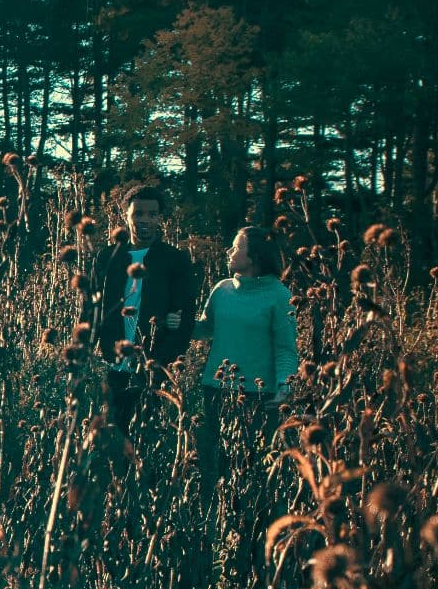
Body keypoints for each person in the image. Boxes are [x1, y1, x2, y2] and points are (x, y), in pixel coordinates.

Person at [87, 184, 199, 432]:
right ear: (125, 215)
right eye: (138, 213)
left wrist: (164, 360)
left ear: (160, 218)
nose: (145, 220)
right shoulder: (107, 257)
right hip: (111, 363)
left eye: (152, 214)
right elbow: (91, 309)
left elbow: (185, 316)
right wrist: (88, 353)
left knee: (146, 433)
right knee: (111, 433)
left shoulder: (174, 259)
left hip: (153, 364)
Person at [197, 225, 300, 413]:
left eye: (236, 248)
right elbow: (206, 328)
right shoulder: (222, 289)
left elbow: (286, 348)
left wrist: (284, 388)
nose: (229, 252)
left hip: (257, 395)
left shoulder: (279, 295)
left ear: (254, 257)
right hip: (215, 388)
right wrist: (174, 322)